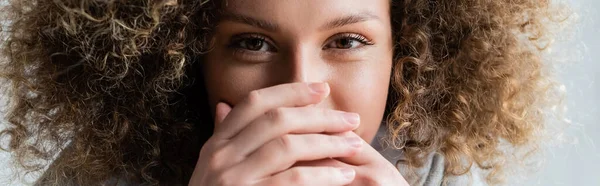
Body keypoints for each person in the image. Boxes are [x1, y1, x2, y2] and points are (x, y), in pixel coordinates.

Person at [0, 0, 564, 185]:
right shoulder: (103, 171)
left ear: (408, 51)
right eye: (251, 43)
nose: (301, 90)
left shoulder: (439, 167)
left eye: (346, 40)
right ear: (184, 57)